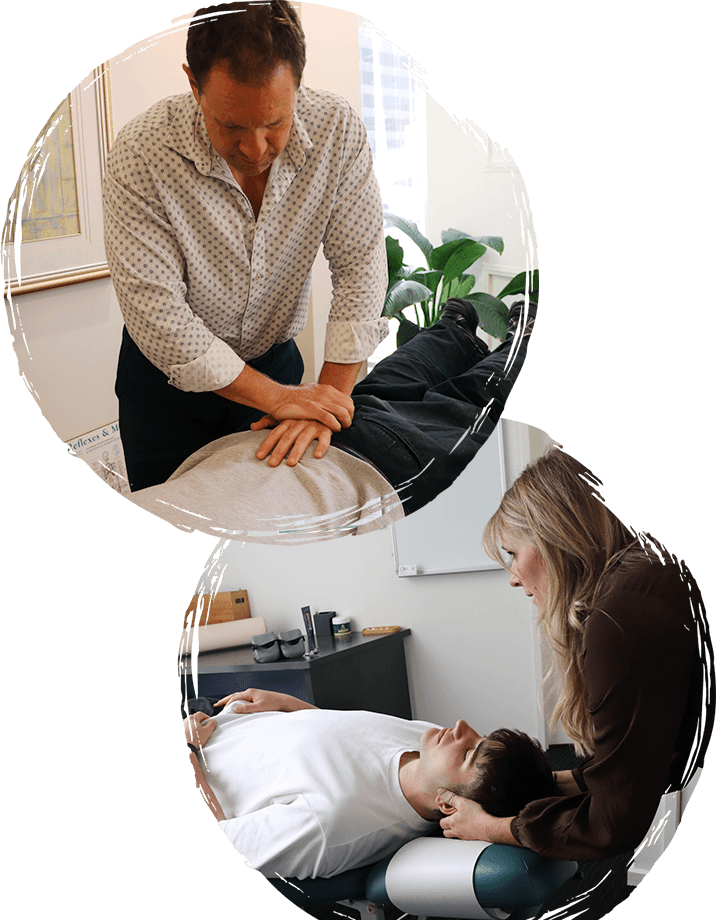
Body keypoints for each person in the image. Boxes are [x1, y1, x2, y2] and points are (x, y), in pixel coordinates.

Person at [104, 3, 389, 491]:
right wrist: (278, 399)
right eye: (232, 127)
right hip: (166, 393)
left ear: (298, 82)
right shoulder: (141, 153)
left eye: (274, 123)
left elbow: (361, 264)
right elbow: (158, 314)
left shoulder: (336, 130)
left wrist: (326, 405)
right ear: (194, 84)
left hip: (276, 363)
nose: (255, 149)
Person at [437, 448, 714, 862]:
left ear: (554, 539)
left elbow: (613, 824)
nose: (513, 578)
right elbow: (658, 757)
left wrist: (489, 828)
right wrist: (551, 783)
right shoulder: (648, 574)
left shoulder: (621, 614)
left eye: (513, 553)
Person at [127, 298, 535, 541]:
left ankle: (504, 333)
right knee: (379, 392)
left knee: (465, 404)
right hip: (285, 436)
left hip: (367, 472)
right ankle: (452, 329)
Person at [183, 687, 557, 880]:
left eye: (469, 752)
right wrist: (286, 703)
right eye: (481, 737)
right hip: (218, 716)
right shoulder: (426, 742)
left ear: (447, 804)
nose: (461, 727)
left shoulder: (330, 824)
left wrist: (189, 751)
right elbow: (346, 741)